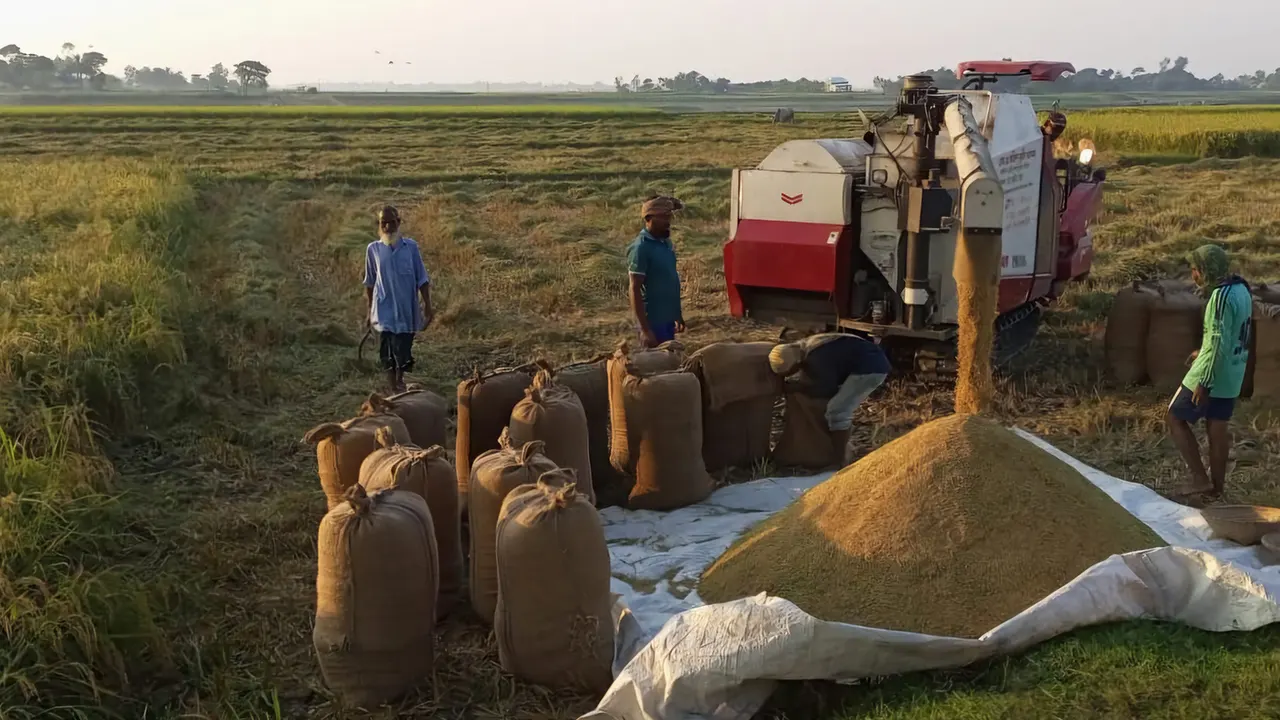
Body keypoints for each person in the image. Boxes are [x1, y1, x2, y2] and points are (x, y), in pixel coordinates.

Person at [1168, 244, 1252, 498]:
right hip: (1232, 372)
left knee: (1174, 418)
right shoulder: (1242, 289)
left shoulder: (1220, 297)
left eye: (1195, 269)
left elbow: (1217, 342)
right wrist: (1202, 350)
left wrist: (1204, 380)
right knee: (1217, 427)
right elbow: (1229, 336)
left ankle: (1199, 479)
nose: (1193, 275)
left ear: (1206, 270)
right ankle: (1216, 489)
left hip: (1211, 373)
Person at [769, 332, 892, 458]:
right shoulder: (805, 345)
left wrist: (797, 388)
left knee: (838, 411)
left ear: (796, 364)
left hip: (870, 369)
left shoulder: (816, 358)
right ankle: (845, 450)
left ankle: (840, 459)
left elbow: (826, 389)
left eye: (790, 371)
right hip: (868, 358)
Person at [363, 205, 433, 394]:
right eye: (383, 223)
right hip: (383, 309)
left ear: (399, 222)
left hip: (406, 308)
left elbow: (422, 278)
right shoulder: (373, 250)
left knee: (403, 348)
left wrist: (428, 305)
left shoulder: (410, 247)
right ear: (379, 225)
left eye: (391, 222)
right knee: (386, 348)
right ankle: (392, 385)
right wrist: (369, 311)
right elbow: (369, 282)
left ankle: (400, 381)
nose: (387, 226)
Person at [627, 196, 685, 349]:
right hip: (652, 323)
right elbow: (634, 289)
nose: (669, 222)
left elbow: (669, 279)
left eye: (670, 217)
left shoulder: (665, 243)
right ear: (649, 218)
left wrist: (676, 314)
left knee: (670, 366)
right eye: (664, 217)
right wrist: (646, 331)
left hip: (667, 321)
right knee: (655, 369)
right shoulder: (641, 248)